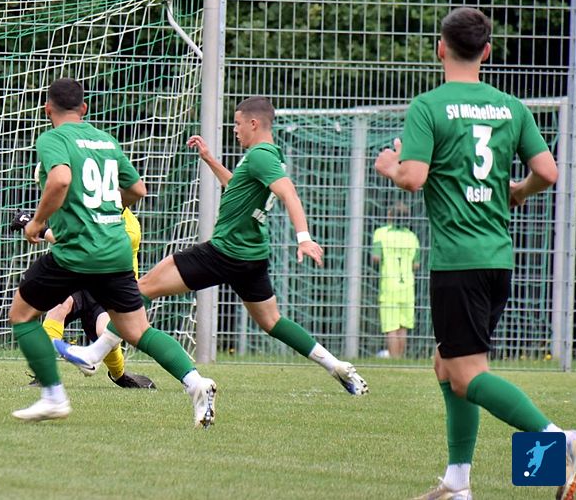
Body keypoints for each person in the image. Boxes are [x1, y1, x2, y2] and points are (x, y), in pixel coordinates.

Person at [374, 7, 576, 500]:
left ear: (440, 48)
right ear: (486, 51)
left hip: (458, 262)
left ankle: (562, 441)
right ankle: (457, 483)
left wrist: (389, 165)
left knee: (467, 376)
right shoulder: (510, 107)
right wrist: (517, 192)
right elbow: (548, 172)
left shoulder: (430, 106)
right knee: (446, 364)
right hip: (496, 258)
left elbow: (413, 177)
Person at [55, 95, 369, 397]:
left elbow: (288, 193)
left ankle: (95, 354)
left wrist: (304, 238)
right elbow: (238, 188)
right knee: (272, 321)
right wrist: (209, 160)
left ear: (254, 123)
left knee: (143, 288)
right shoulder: (271, 156)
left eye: (238, 123)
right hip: (252, 255)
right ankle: (336, 365)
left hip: (224, 252)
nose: (235, 129)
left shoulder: (260, 155)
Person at [9, 77, 216, 427]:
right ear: (84, 108)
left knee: (22, 314)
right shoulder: (106, 140)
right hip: (115, 250)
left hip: (78, 251)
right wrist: (105, 210)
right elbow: (137, 189)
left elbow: (60, 179)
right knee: (137, 330)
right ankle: (196, 383)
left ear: (47, 108)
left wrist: (37, 222)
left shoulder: (52, 138)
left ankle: (53, 396)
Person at [10, 208, 156, 389]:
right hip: (80, 282)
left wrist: (38, 227)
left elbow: (82, 249)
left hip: (109, 289)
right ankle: (43, 375)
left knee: (104, 331)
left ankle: (119, 374)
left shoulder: (130, 227)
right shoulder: (90, 210)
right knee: (59, 307)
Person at [370, 201, 420, 358]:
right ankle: (399, 359)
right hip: (407, 286)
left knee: (391, 327)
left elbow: (376, 257)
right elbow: (416, 264)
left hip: (389, 285)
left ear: (390, 215)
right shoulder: (412, 237)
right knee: (403, 327)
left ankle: (394, 358)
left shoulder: (381, 233)